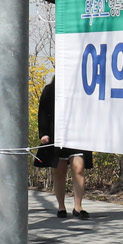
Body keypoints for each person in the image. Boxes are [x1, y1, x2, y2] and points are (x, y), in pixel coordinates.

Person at [34, 78, 91, 218]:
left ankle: (78, 206)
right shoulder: (50, 89)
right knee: (59, 171)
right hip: (57, 135)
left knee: (79, 168)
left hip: (78, 134)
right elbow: (42, 112)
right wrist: (44, 133)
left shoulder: (83, 88)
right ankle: (61, 206)